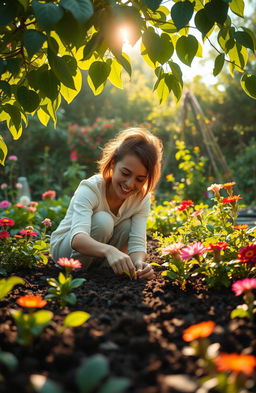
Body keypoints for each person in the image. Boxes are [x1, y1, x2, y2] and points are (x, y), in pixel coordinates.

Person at [50, 128, 163, 279]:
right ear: (113, 164)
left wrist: (139, 265)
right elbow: (78, 239)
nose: (130, 184)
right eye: (125, 173)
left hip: (100, 253)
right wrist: (110, 251)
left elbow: (137, 242)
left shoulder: (141, 199)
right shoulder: (91, 188)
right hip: (66, 250)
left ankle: (102, 273)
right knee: (103, 220)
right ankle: (77, 274)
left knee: (127, 227)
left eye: (140, 179)